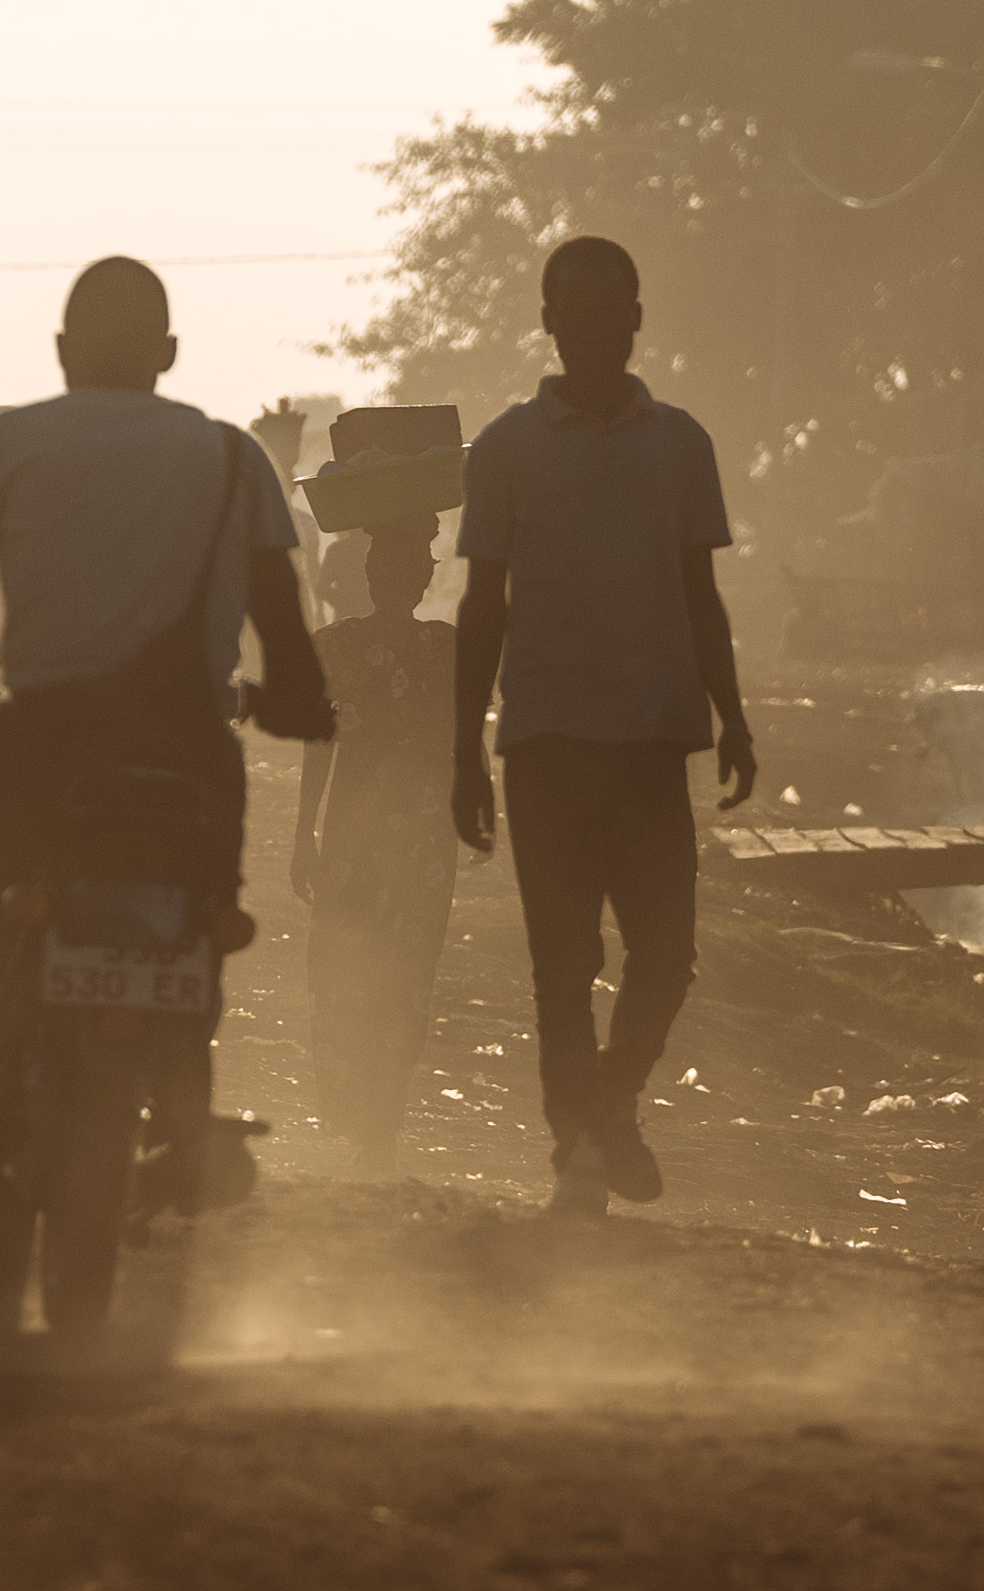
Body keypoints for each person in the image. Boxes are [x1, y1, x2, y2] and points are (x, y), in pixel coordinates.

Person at [0, 260, 330, 1157]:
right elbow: (289, 647)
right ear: (169, 353)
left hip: (41, 742)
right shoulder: (234, 458)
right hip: (188, 750)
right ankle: (189, 1116)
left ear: (62, 352)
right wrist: (297, 706)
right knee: (205, 908)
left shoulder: (7, 447)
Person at [451, 236, 754, 1218]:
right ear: (547, 322)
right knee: (564, 962)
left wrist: (734, 716)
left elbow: (701, 595)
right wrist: (464, 746)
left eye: (607, 311)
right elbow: (482, 606)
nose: (589, 330)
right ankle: (577, 1145)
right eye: (570, 312)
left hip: (655, 737)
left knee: (666, 957)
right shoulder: (503, 450)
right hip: (545, 740)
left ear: (633, 321)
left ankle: (611, 1102)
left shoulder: (682, 445)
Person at [289, 515, 460, 1161]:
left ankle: (358, 1117)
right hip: (415, 837)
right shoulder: (446, 647)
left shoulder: (339, 645)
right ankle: (375, 1119)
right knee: (402, 968)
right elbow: (461, 746)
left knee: (351, 969)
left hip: (364, 834)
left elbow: (318, 744)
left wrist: (304, 830)